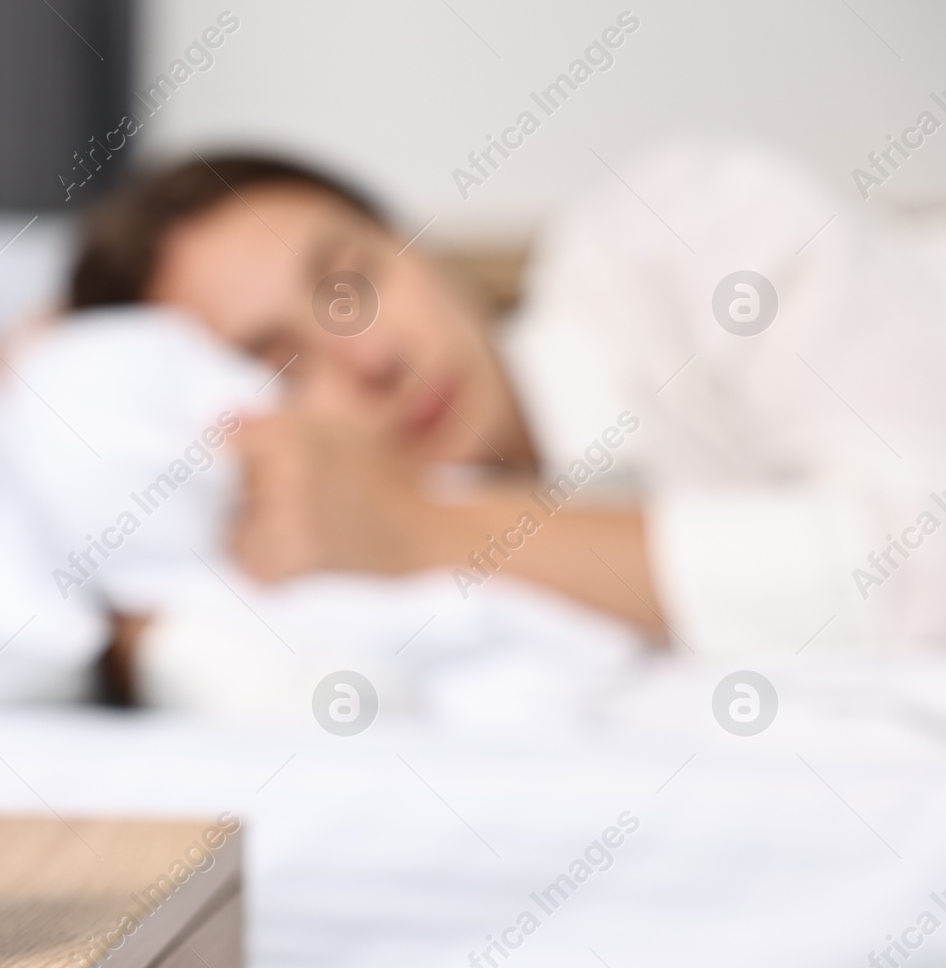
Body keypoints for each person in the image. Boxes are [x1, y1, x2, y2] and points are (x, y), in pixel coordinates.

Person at [60, 147, 946, 657]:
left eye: (351, 278)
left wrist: (420, 528)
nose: (371, 358)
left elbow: (919, 556)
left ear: (423, 247)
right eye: (281, 369)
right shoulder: (331, 594)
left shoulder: (683, 232)